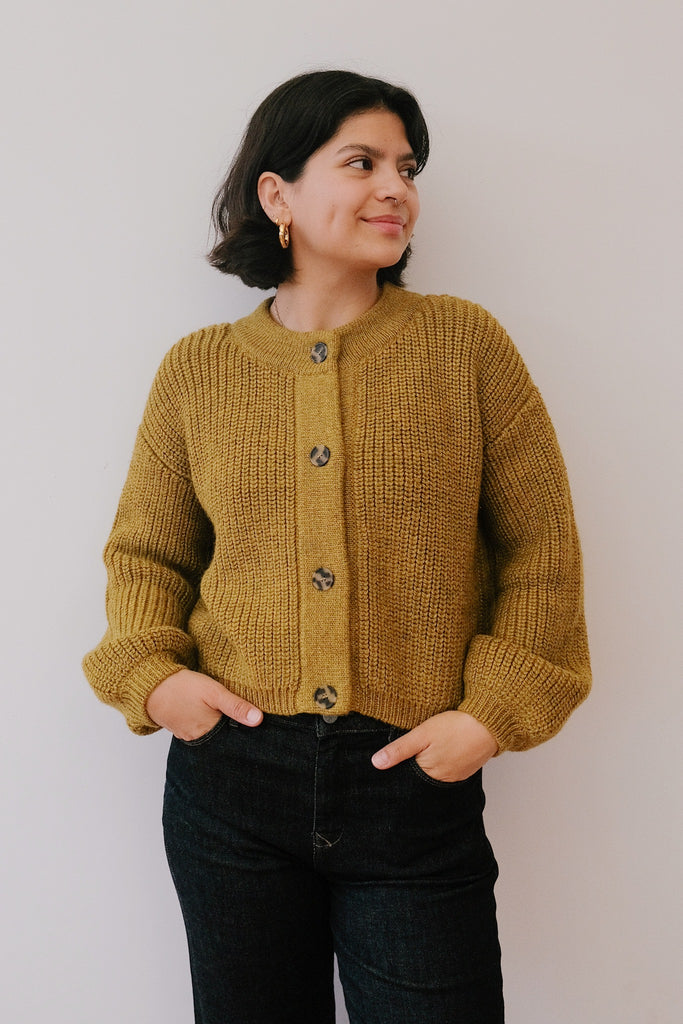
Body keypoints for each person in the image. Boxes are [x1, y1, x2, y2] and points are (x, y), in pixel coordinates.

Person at [83, 69, 591, 1024]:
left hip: (412, 781)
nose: (396, 188)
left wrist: (489, 715)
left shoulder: (464, 346)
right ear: (276, 195)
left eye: (407, 167)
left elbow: (541, 552)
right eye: (362, 162)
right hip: (230, 783)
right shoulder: (197, 371)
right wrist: (153, 679)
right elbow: (147, 554)